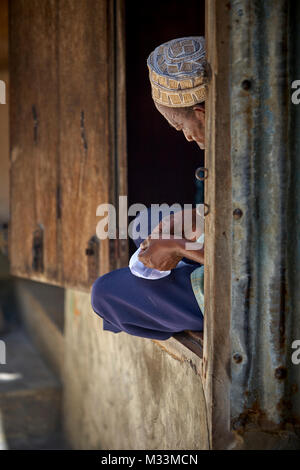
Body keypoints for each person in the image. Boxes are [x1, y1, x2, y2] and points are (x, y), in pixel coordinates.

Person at [91, 37, 207, 340]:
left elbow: (255, 264)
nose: (187, 138)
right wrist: (192, 218)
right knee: (144, 224)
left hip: (238, 287)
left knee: (105, 293)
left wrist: (182, 247)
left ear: (201, 114)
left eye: (181, 127)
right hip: (216, 257)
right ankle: (177, 284)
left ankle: (186, 303)